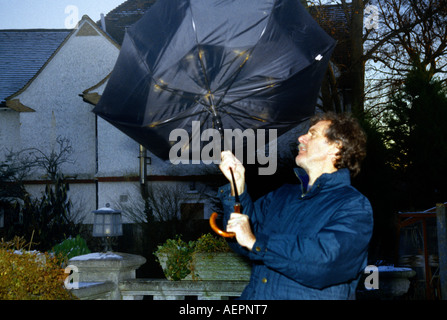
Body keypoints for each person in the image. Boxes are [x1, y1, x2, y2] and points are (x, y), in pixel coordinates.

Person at [218, 112, 373, 300]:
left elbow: (326, 262)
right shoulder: (281, 195)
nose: (301, 138)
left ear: (336, 147)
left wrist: (256, 242)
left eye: (312, 134)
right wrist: (238, 189)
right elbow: (239, 240)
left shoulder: (353, 205)